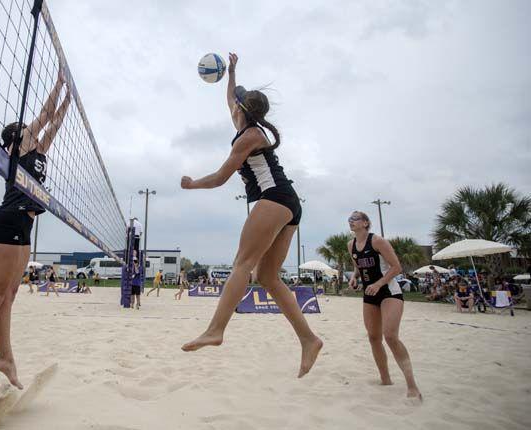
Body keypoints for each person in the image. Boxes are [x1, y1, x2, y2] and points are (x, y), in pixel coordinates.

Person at [179, 53, 322, 378]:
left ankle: (216, 330)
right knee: (267, 277)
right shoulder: (246, 126)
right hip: (288, 203)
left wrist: (191, 185)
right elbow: (229, 97)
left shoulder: (250, 136)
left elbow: (219, 178)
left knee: (242, 264)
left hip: (274, 198)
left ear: (243, 110)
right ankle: (309, 339)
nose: (232, 105)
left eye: (237, 103)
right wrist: (232, 73)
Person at [0, 68, 71, 395]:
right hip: (6, 220)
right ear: (17, 137)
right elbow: (44, 116)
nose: (34, 130)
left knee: (10, 296)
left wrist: (69, 98)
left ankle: (6, 358)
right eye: (27, 129)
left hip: (23, 225)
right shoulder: (16, 148)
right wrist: (58, 83)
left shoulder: (38, 152)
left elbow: (53, 123)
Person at [347, 211, 421, 400]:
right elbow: (358, 266)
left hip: (389, 292)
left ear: (365, 223)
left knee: (390, 336)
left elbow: (397, 267)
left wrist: (379, 283)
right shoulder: (351, 245)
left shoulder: (378, 241)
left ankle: (412, 386)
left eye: (354, 219)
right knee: (373, 337)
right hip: (369, 294)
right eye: (349, 220)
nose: (351, 222)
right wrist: (354, 278)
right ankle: (385, 379)